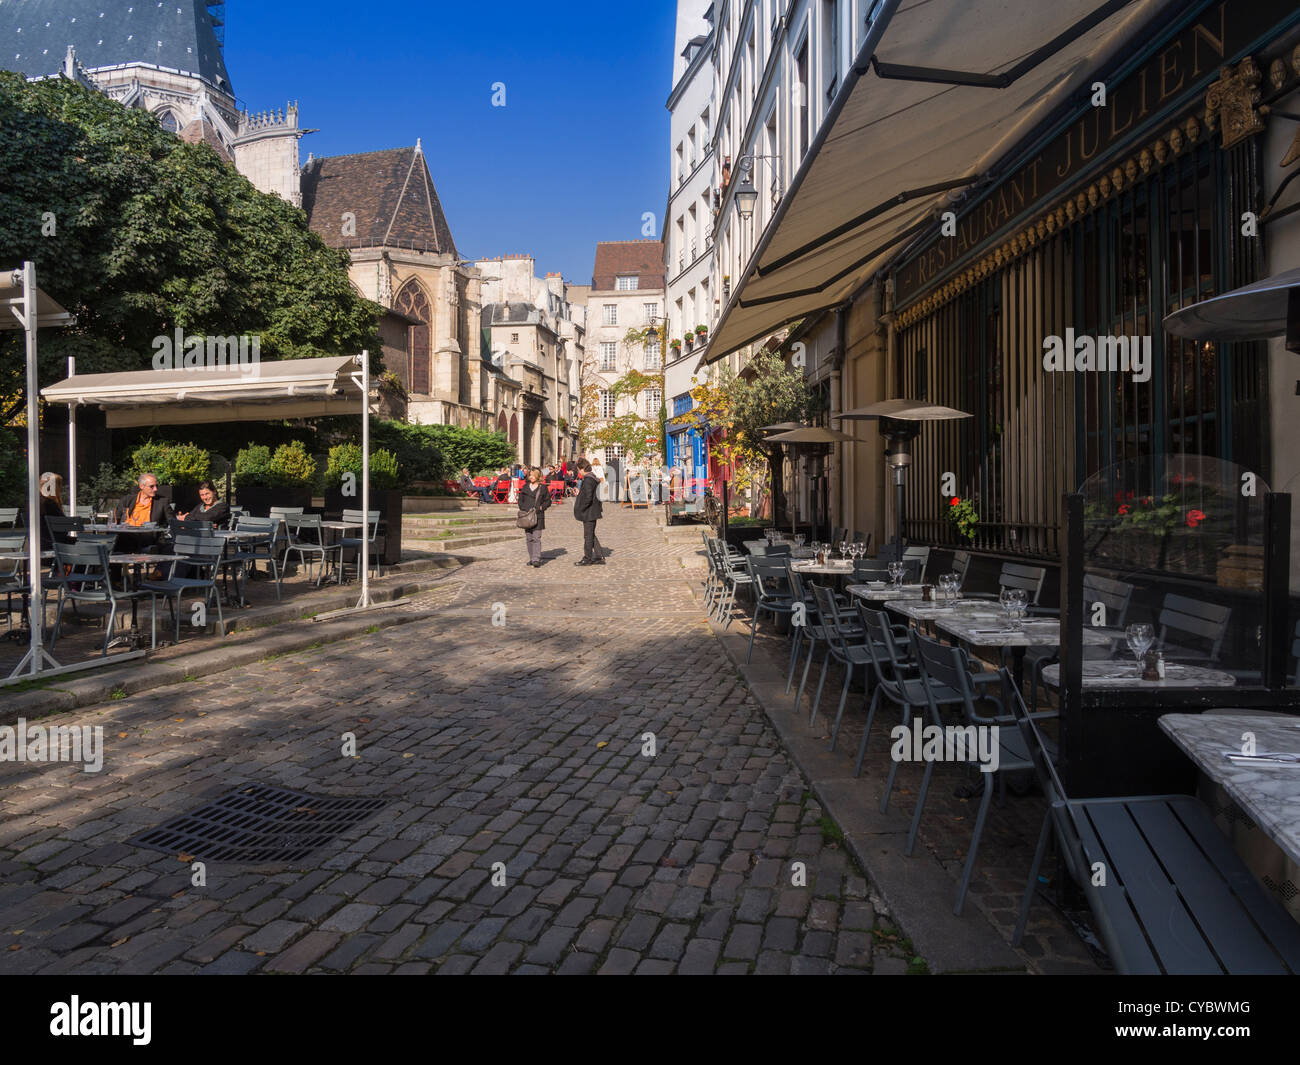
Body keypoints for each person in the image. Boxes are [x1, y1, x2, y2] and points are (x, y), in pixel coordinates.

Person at [517, 466, 552, 568]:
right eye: (530, 475)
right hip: (526, 516)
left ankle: (536, 559)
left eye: (533, 475)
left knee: (536, 538)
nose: (531, 477)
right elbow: (520, 499)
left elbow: (548, 501)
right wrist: (523, 508)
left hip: (538, 516)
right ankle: (532, 558)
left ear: (538, 476)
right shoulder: (525, 487)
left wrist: (541, 507)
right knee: (529, 538)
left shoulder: (543, 488)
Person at [573, 457, 604, 566]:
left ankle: (587, 558)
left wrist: (581, 508)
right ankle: (599, 556)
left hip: (589, 512)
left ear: (582, 469)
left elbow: (588, 497)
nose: (578, 472)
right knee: (591, 534)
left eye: (578, 470)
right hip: (592, 511)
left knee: (588, 536)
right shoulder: (592, 478)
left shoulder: (588, 479)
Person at [38, 472, 66, 548]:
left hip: (38, 544)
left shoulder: (35, 504)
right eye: (59, 485)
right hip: (54, 545)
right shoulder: (50, 504)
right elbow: (64, 527)